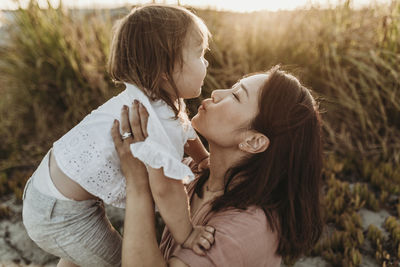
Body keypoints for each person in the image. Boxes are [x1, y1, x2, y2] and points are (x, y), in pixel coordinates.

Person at [22, 4, 214, 267]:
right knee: (119, 261)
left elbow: (185, 128)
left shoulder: (156, 97)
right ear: (165, 69)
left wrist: (202, 157)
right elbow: (166, 188)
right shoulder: (152, 117)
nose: (206, 62)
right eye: (199, 54)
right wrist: (188, 233)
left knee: (82, 256)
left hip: (50, 194)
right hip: (62, 215)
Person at [111, 66, 324, 267]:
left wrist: (137, 184)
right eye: (232, 88)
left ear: (253, 141)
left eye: (236, 96)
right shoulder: (199, 173)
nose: (216, 93)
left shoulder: (244, 230)